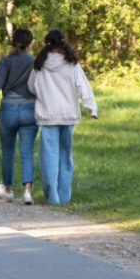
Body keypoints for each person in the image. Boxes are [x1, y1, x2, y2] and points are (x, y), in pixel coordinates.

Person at [27, 29, 97, 204]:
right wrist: (91, 108)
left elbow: (31, 87)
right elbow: (83, 87)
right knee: (65, 155)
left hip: (47, 115)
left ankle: (53, 196)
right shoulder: (72, 64)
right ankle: (65, 196)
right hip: (68, 115)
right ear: (63, 43)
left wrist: (43, 95)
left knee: (48, 156)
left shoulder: (39, 64)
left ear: (47, 44)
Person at [0, 27, 38, 205]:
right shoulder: (35, 62)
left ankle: (8, 190)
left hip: (8, 110)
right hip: (30, 111)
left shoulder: (6, 61)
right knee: (26, 152)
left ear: (13, 41)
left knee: (7, 151)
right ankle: (27, 193)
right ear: (30, 43)